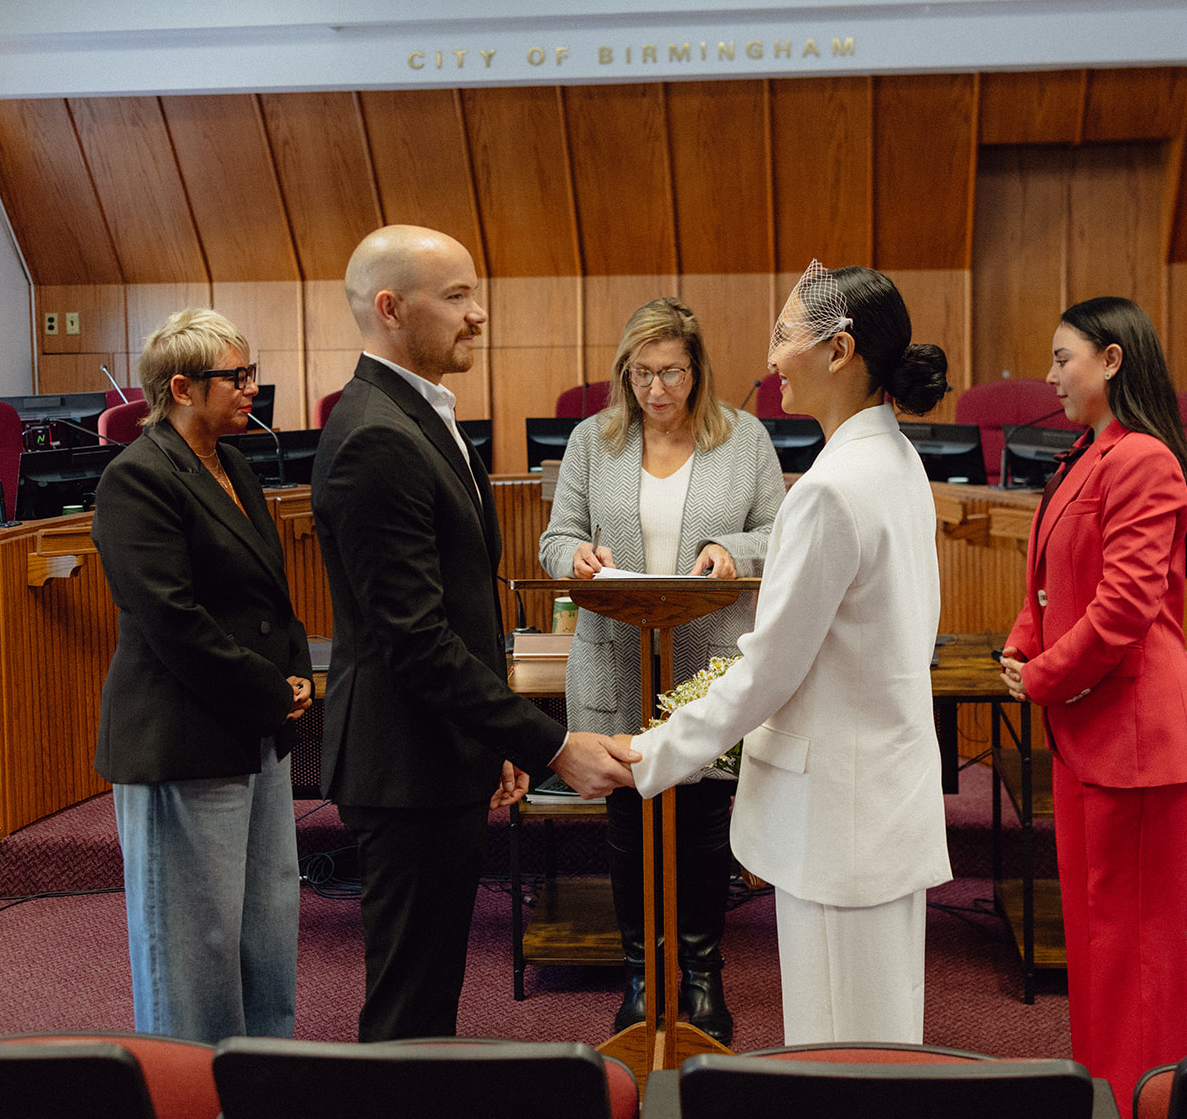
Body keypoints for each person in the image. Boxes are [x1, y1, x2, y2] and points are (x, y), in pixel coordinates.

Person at [311, 223, 640, 1042]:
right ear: (390, 308)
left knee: (430, 1000)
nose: (479, 314)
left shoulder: (416, 413)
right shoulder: (378, 436)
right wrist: (550, 745)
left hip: (434, 751)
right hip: (403, 763)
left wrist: (487, 737)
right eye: (456, 296)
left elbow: (459, 609)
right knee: (409, 1008)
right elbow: (415, 640)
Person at [622, 262, 953, 1044]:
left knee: (840, 1054)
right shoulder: (898, 459)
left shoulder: (831, 489)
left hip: (839, 815)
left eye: (784, 334)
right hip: (883, 796)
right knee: (883, 1036)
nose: (771, 357)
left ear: (839, 352)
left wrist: (650, 753)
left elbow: (771, 669)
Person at [997, 295, 1187, 1114]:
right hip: (1086, 729)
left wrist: (1044, 675)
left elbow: (1125, 610)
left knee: (1135, 950)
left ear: (1112, 360)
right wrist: (1021, 643)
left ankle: (1141, 1101)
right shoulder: (1085, 455)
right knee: (1097, 942)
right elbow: (1049, 580)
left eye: (1065, 357)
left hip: (1137, 731)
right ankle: (1105, 1094)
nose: (1052, 374)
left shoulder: (1145, 461)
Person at [539, 297, 785, 1045]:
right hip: (615, 659)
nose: (656, 390)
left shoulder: (744, 440)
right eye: (641, 374)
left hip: (707, 660)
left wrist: (732, 550)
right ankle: (642, 976)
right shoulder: (594, 440)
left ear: (697, 368)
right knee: (629, 821)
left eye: (670, 372)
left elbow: (781, 530)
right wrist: (574, 559)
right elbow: (557, 538)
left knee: (706, 824)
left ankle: (703, 974)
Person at [92, 308, 313, 1043]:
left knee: (265, 923)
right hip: (183, 735)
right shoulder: (138, 478)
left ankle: (262, 1075)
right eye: (237, 377)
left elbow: (268, 591)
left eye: (252, 373)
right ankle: (190, 1088)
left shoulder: (236, 463)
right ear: (182, 388)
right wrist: (268, 690)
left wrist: (295, 668)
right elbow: (170, 618)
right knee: (192, 945)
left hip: (253, 726)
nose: (253, 388)